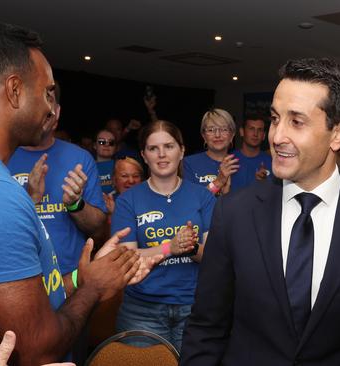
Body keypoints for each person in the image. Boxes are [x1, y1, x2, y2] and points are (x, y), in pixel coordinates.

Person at [180, 58, 340, 366]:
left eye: (296, 121)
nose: (276, 136)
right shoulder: (234, 213)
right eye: (275, 118)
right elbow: (206, 329)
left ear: (339, 134)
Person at [0, 21, 158, 364]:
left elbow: (27, 290)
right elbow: (33, 349)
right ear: (15, 90)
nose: (52, 109)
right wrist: (93, 289)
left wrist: (82, 276)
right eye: (47, 92)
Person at [111, 120, 215, 350]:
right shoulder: (128, 200)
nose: (161, 154)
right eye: (153, 148)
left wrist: (191, 246)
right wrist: (170, 247)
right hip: (141, 309)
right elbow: (124, 258)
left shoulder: (203, 197)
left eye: (168, 146)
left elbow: (214, 258)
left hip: (194, 307)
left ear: (182, 150)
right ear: (144, 156)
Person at [8, 82, 108, 274]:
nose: (43, 107)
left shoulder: (80, 158)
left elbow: (98, 229)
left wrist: (75, 204)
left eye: (49, 99)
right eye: (37, 99)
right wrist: (29, 200)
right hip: (17, 277)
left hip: (70, 278)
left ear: (57, 112)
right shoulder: (1, 156)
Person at [183, 108, 239, 195]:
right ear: (204, 136)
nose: (217, 135)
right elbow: (191, 202)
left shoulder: (241, 164)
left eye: (224, 129)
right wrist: (218, 182)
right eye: (211, 130)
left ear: (232, 135)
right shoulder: (189, 164)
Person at [229, 115, 273, 191]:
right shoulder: (230, 159)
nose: (255, 134)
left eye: (259, 130)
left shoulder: (272, 162)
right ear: (242, 132)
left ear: (264, 135)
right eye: (251, 129)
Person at [94, 129, 117, 194]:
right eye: (101, 142)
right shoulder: (87, 167)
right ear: (95, 145)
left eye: (111, 143)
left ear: (115, 147)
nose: (106, 145)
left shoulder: (123, 166)